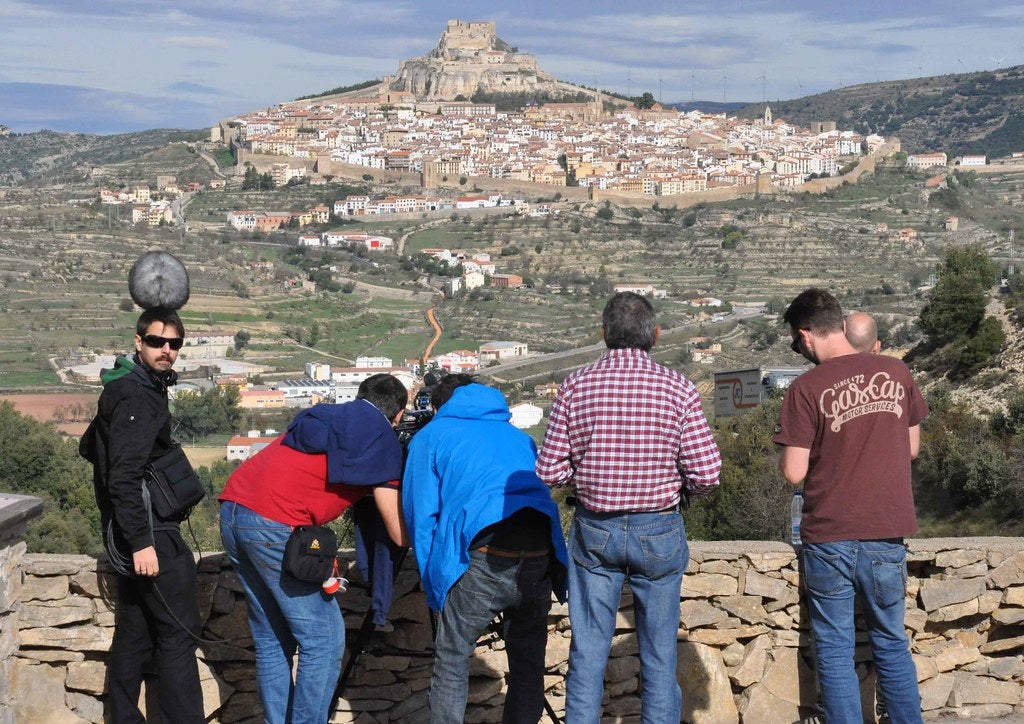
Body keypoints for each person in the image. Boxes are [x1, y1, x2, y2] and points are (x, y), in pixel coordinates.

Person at [536, 291, 722, 724]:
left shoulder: (575, 386)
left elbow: (549, 470)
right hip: (659, 529)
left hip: (595, 530)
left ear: (604, 333)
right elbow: (707, 473)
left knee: (588, 651)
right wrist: (681, 489)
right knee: (659, 654)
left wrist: (585, 476)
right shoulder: (678, 388)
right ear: (655, 335)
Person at [774, 288, 928, 724]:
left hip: (830, 535)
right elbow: (911, 448)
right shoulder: (896, 372)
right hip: (886, 530)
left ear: (805, 336)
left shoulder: (806, 388)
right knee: (891, 643)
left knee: (835, 648)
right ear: (841, 325)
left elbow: (794, 472)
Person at [219, 373, 409, 724]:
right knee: (324, 639)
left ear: (359, 396)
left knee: (272, 637)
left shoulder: (326, 415)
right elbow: (398, 533)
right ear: (398, 415)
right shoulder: (381, 442)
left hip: (233, 507)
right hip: (274, 521)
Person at [402, 374, 568, 724]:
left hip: (482, 552)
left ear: (439, 406)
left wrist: (436, 587)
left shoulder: (431, 436)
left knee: (452, 659)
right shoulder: (519, 437)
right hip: (540, 550)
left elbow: (421, 517)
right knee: (528, 663)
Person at [80, 307, 204, 723]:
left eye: (174, 343)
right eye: (156, 341)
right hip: (151, 535)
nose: (166, 349)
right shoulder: (137, 395)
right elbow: (124, 476)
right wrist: (142, 541)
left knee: (134, 634)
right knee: (179, 634)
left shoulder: (127, 386)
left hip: (133, 533)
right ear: (139, 342)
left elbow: (92, 449)